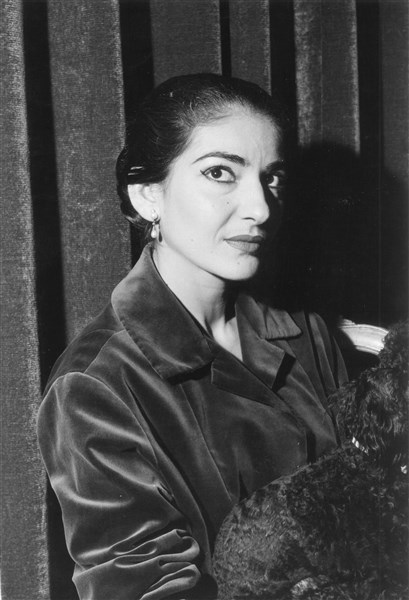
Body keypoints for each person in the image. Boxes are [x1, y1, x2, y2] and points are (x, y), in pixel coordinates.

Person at [37, 73, 347, 600]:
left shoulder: (307, 332)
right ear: (147, 195)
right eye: (220, 173)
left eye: (272, 177)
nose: (260, 208)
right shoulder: (95, 386)